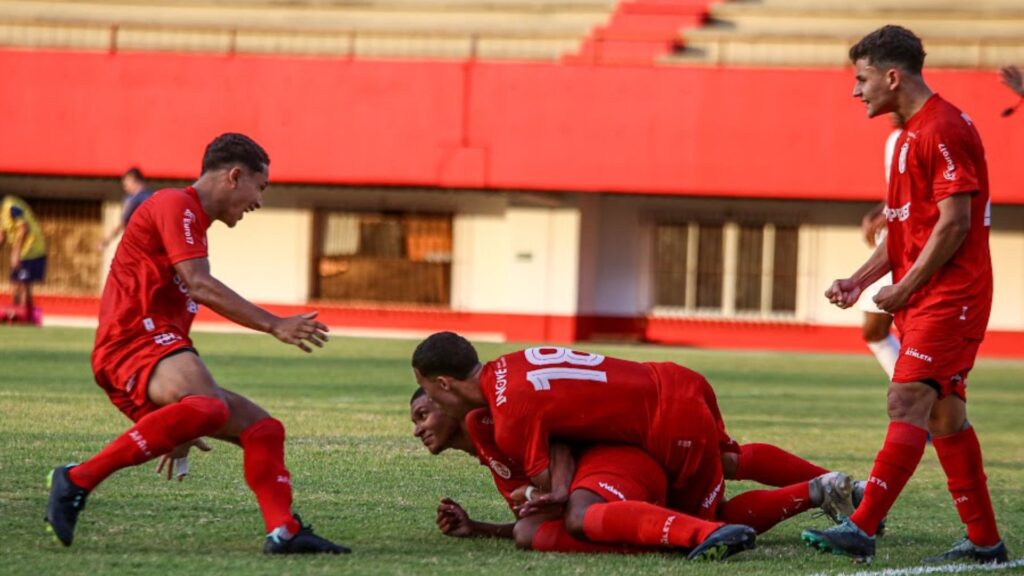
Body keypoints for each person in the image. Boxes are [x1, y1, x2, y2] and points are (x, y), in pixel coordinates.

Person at [44, 133, 350, 555]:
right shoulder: (175, 205)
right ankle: (77, 479)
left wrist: (182, 419)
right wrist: (274, 324)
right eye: (259, 188)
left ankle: (284, 531)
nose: (258, 201)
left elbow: (181, 316)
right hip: (129, 343)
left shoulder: (192, 227)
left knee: (263, 429)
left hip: (154, 348)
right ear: (234, 176)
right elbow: (200, 286)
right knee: (209, 406)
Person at [806, 25, 1007, 565]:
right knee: (945, 418)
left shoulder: (942, 128)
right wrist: (860, 280)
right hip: (928, 296)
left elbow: (955, 223)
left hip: (953, 295)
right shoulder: (907, 137)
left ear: (892, 77)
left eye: (862, 79)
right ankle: (986, 542)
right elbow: (903, 232)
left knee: (906, 400)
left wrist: (907, 286)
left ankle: (862, 525)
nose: (856, 91)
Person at [412, 332, 857, 561]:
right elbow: (561, 440)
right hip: (675, 381)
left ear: (443, 385)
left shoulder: (504, 416)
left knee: (704, 519)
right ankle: (846, 492)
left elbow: (550, 489)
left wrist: (539, 494)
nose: (420, 422)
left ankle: (809, 498)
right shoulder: (510, 367)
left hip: (661, 426)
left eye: (424, 404)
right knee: (730, 460)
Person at [858, 115, 905, 379]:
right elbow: (894, 192)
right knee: (874, 329)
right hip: (891, 237)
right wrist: (875, 213)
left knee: (910, 325)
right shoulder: (893, 140)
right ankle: (911, 389)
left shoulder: (927, 135)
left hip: (913, 239)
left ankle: (919, 394)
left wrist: (892, 214)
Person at [0, 194, 47, 325]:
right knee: (16, 285)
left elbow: (23, 228)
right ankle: (25, 317)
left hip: (32, 250)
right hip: (23, 251)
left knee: (22, 285)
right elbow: (2, 235)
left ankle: (23, 320)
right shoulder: (2, 213)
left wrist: (15, 252)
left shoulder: (11, 206)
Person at [98, 167, 154, 252]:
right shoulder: (152, 196)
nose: (125, 187)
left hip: (136, 242)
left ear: (133, 180)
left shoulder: (132, 199)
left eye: (126, 183)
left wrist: (107, 240)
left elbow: (122, 222)